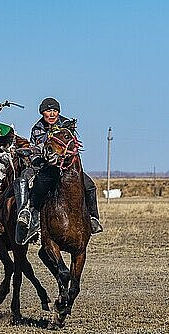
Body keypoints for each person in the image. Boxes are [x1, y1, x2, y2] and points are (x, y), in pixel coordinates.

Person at [15, 97, 103, 240]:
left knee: (90, 185)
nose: (52, 114)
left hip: (67, 168)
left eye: (55, 111)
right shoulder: (36, 129)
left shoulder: (66, 125)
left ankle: (93, 218)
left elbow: (73, 147)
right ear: (42, 113)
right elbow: (34, 149)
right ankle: (31, 220)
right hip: (45, 167)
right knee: (37, 189)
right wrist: (35, 156)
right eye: (48, 111)